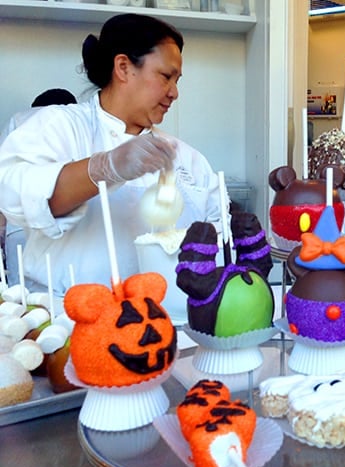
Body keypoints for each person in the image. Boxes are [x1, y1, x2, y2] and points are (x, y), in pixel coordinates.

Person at [0, 14, 227, 295]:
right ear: (123, 67)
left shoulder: (186, 157)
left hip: (164, 312)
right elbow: (15, 195)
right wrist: (105, 167)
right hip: (66, 311)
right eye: (166, 76)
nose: (174, 93)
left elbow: (220, 235)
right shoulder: (59, 126)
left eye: (177, 80)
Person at [0, 88, 77, 284]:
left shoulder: (18, 121)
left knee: (22, 294)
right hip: (69, 226)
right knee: (69, 289)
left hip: (20, 227)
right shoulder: (77, 124)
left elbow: (4, 181)